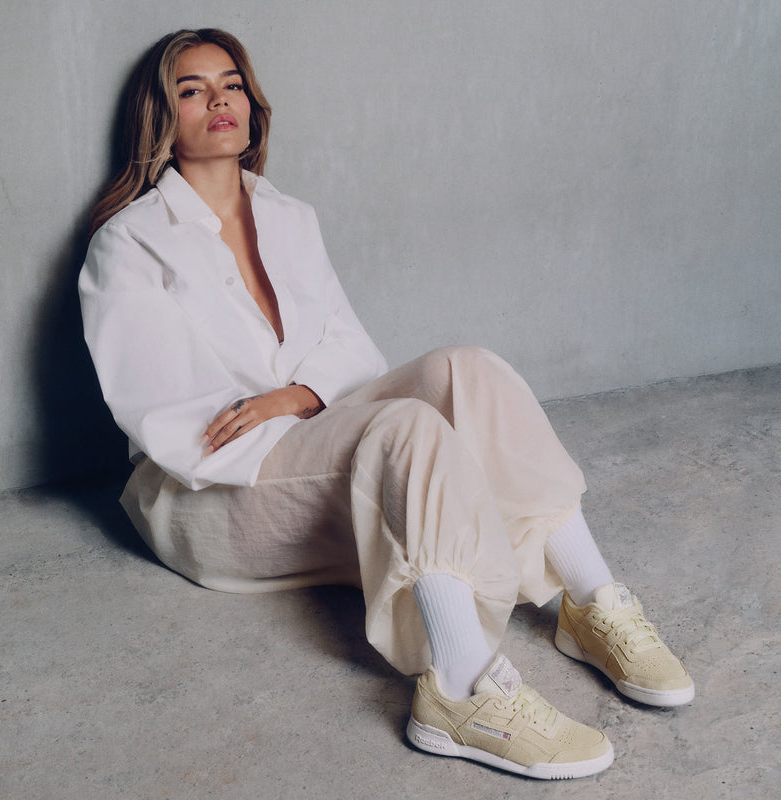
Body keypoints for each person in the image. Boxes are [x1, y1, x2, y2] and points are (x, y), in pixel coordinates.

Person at [79, 28, 694, 781]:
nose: (219, 100)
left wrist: (297, 397)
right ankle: (461, 688)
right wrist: (293, 412)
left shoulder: (289, 216)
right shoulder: (130, 243)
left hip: (303, 446)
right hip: (211, 496)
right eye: (192, 88)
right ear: (160, 116)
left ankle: (590, 598)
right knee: (403, 429)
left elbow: (349, 352)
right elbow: (167, 411)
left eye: (232, 83)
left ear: (252, 102)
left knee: (469, 370)